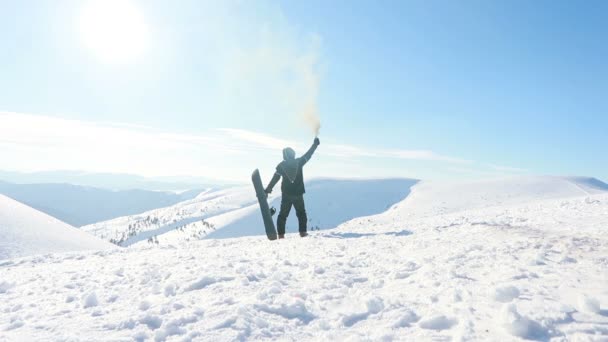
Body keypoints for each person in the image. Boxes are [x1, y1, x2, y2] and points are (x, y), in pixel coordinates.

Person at [265, 137, 320, 238]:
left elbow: (275, 178)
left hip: (286, 194)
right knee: (301, 213)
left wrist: (268, 189)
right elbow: (309, 154)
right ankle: (303, 233)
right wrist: (315, 145)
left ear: (285, 155)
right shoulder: (299, 162)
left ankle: (281, 235)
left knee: (282, 215)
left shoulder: (281, 165)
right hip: (298, 194)